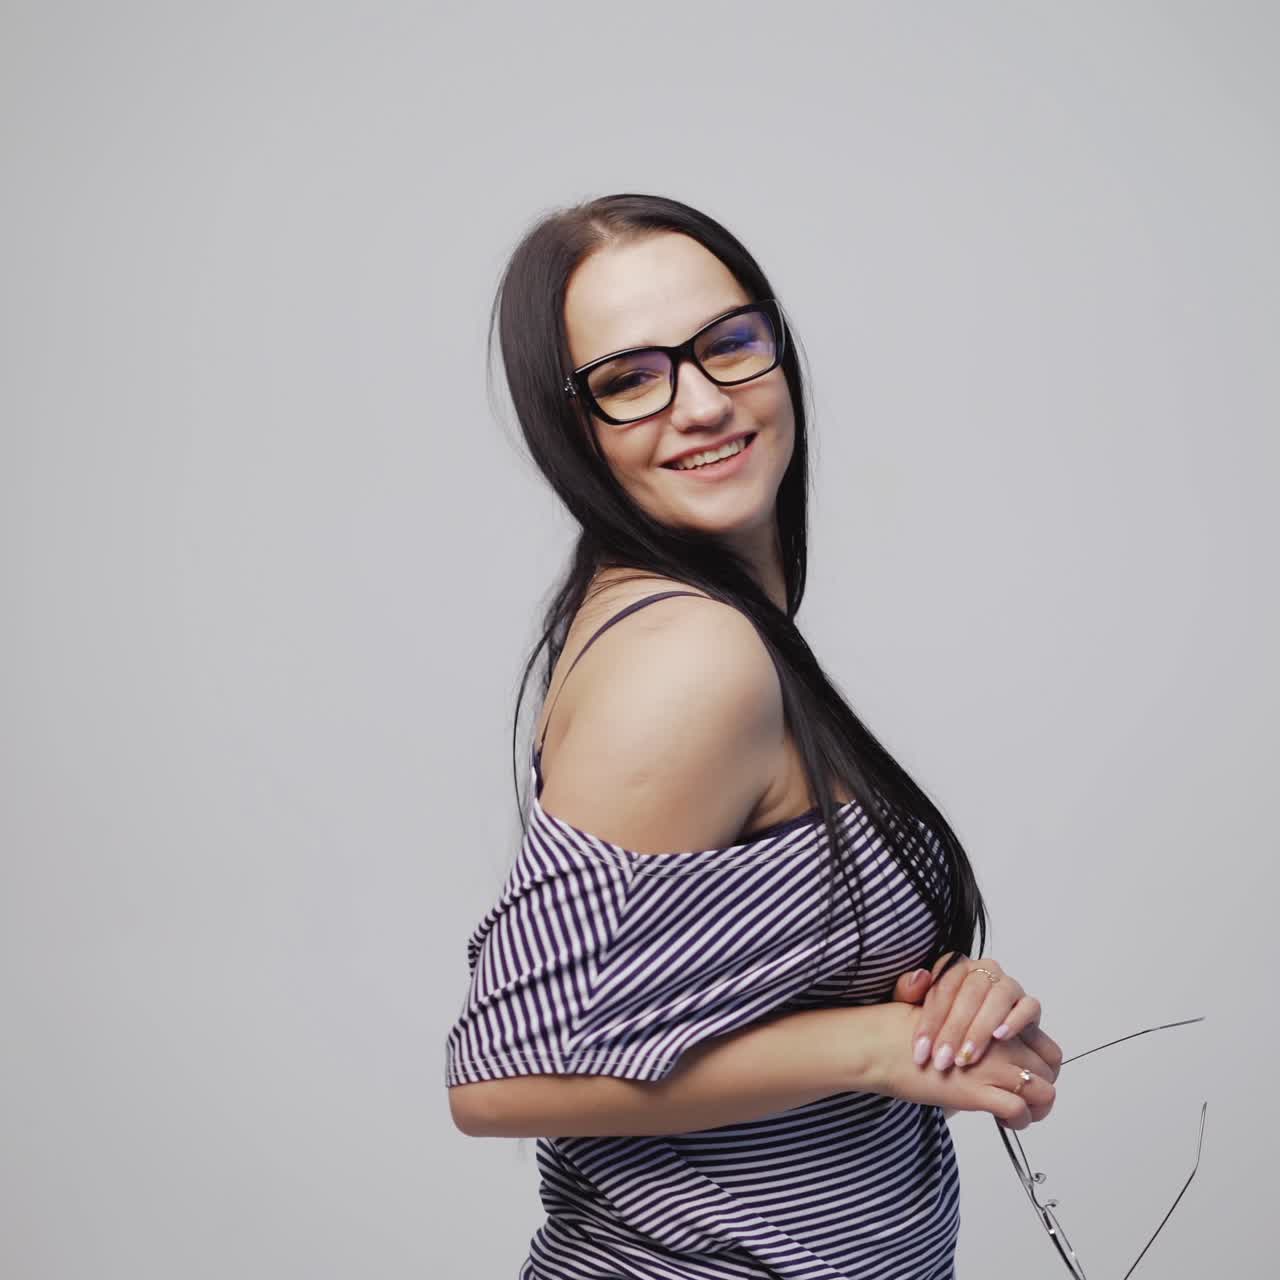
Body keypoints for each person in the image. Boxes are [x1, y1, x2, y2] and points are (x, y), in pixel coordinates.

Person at [444, 193, 1062, 1280]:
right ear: (567, 424)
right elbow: (500, 1073)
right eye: (628, 379)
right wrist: (870, 1045)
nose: (699, 402)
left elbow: (705, 985)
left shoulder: (709, 628)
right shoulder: (692, 656)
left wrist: (926, 1014)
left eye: (727, 343)